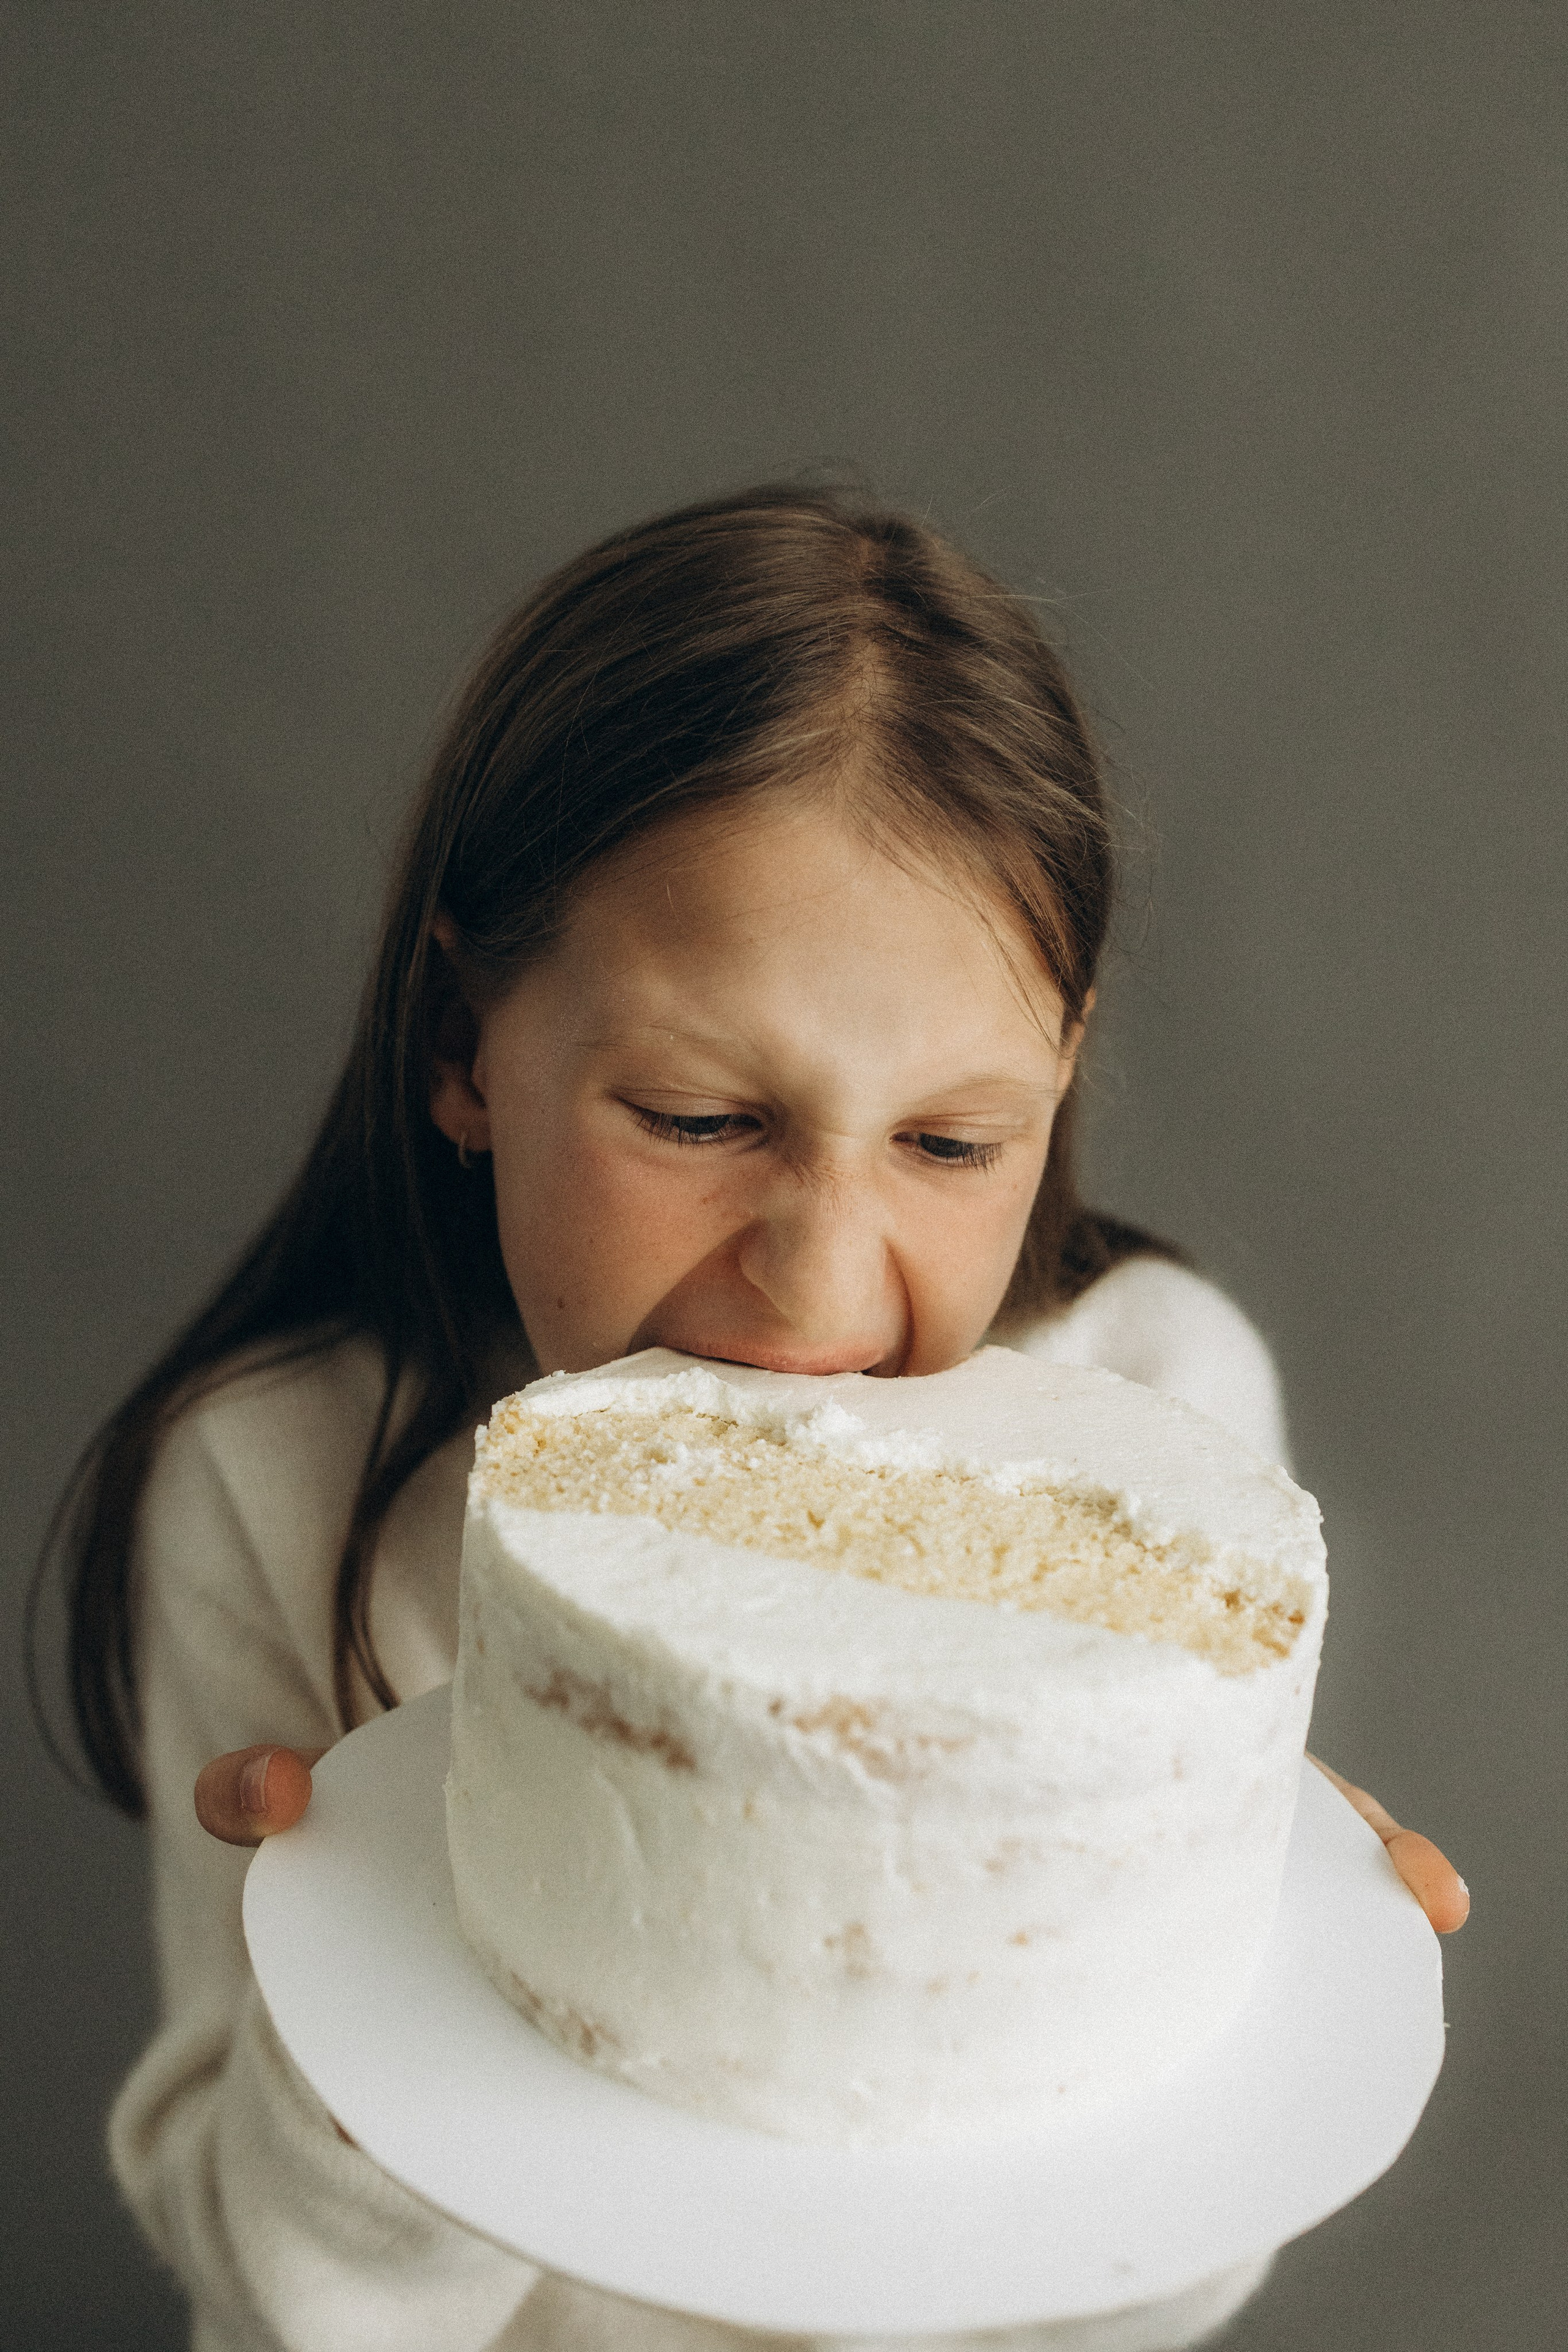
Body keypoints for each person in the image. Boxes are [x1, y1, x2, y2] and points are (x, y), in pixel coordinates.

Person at [48, 486, 1467, 2352]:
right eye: (707, 1122)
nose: (814, 1289)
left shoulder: (1163, 1410)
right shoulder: (268, 1480)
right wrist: (375, 1995)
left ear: (1062, 1076)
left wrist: (1185, 1932)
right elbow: (303, 2312)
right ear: (465, 1049)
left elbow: (1142, 2298)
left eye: (951, 1144)